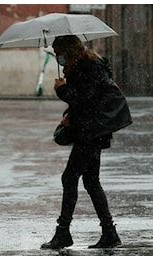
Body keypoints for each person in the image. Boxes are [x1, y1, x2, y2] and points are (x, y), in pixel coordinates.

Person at [40, 35, 122, 250]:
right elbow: (85, 101)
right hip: (92, 129)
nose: (58, 58)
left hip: (91, 132)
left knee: (70, 177)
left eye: (59, 54)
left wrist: (62, 90)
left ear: (69, 51)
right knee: (91, 181)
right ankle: (109, 232)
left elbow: (85, 99)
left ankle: (63, 233)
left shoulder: (88, 67)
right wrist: (70, 115)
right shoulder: (87, 65)